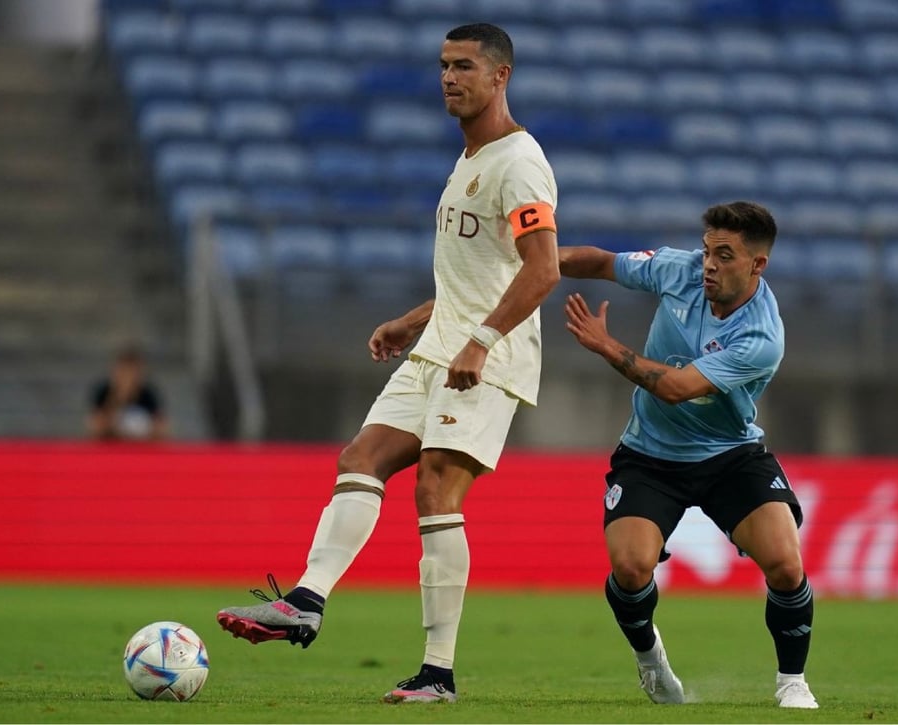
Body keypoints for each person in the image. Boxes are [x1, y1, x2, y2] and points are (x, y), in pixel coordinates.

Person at [215, 23, 560, 705]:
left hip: (489, 356)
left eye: (464, 66)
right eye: (442, 66)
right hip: (442, 345)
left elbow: (543, 269)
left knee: (434, 490)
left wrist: (482, 341)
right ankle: (307, 600)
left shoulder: (519, 161)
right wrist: (415, 319)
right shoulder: (468, 160)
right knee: (360, 457)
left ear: (501, 77)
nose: (449, 78)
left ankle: (438, 672)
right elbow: (478, 277)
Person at [557, 201, 819, 709]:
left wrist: (606, 346)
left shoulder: (761, 336)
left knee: (786, 566)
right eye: (707, 252)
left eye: (724, 256)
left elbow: (675, 387)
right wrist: (540, 260)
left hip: (730, 456)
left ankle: (793, 680)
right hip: (650, 455)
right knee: (631, 569)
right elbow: (601, 262)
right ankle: (651, 660)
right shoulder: (678, 270)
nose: (709, 266)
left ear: (756, 265)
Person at [87, 343, 167, 441]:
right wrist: (118, 398)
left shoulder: (148, 394)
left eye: (132, 371)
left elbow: (162, 430)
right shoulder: (104, 392)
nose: (128, 376)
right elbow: (95, 428)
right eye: (124, 370)